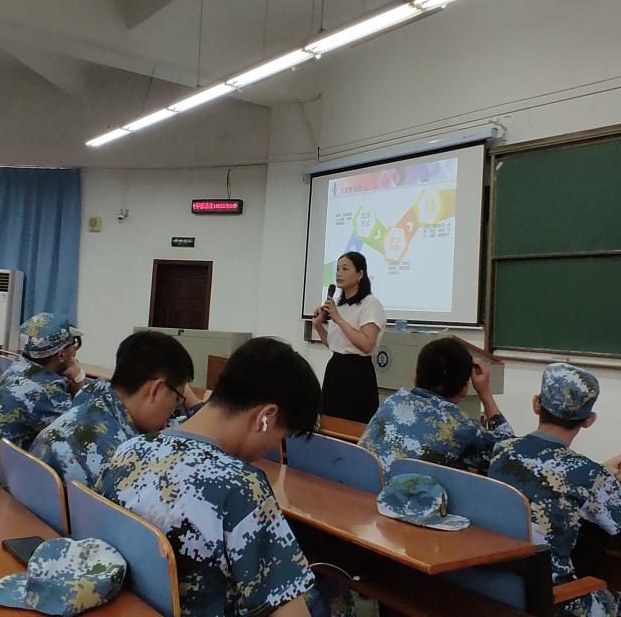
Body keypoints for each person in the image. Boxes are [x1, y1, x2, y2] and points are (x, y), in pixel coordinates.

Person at [98, 337, 343, 617]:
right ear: (266, 416)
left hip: (130, 606)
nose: (274, 446)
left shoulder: (129, 450)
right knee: (330, 597)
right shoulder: (241, 487)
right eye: (282, 436)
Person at [488, 363, 621, 617]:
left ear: (536, 404)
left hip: (499, 583)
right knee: (613, 603)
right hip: (550, 597)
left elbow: (545, 473)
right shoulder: (586, 474)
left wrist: (600, 471)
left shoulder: (503, 449)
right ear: (589, 420)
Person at [31, 330, 197, 485]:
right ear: (156, 390)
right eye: (177, 399)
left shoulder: (91, 396)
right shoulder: (125, 460)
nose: (172, 411)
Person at [358, 337, 512, 474]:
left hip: (360, 489)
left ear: (415, 377)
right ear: (464, 389)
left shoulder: (394, 401)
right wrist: (485, 393)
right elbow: (509, 455)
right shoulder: (461, 427)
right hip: (401, 496)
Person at [0, 313, 87, 450]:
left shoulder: (18, 366)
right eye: (73, 344)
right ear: (61, 354)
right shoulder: (46, 391)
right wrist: (78, 380)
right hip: (1, 459)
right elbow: (80, 433)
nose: (75, 350)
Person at [311, 251, 385, 423]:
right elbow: (334, 344)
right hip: (335, 369)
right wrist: (318, 325)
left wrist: (337, 318)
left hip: (358, 373)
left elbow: (366, 344)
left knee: (354, 424)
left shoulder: (370, 304)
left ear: (360, 274)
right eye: (337, 269)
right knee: (330, 422)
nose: (339, 273)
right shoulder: (338, 305)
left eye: (345, 269)